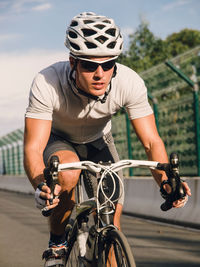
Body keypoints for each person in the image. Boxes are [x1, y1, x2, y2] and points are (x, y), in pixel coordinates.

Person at [24, 11, 191, 267]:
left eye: (108, 63)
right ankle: (57, 243)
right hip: (58, 139)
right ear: (73, 62)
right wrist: (40, 185)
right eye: (89, 65)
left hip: (98, 140)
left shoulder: (129, 82)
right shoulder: (47, 82)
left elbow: (151, 142)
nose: (100, 73)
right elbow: (34, 146)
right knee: (67, 175)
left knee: (112, 221)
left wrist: (167, 182)